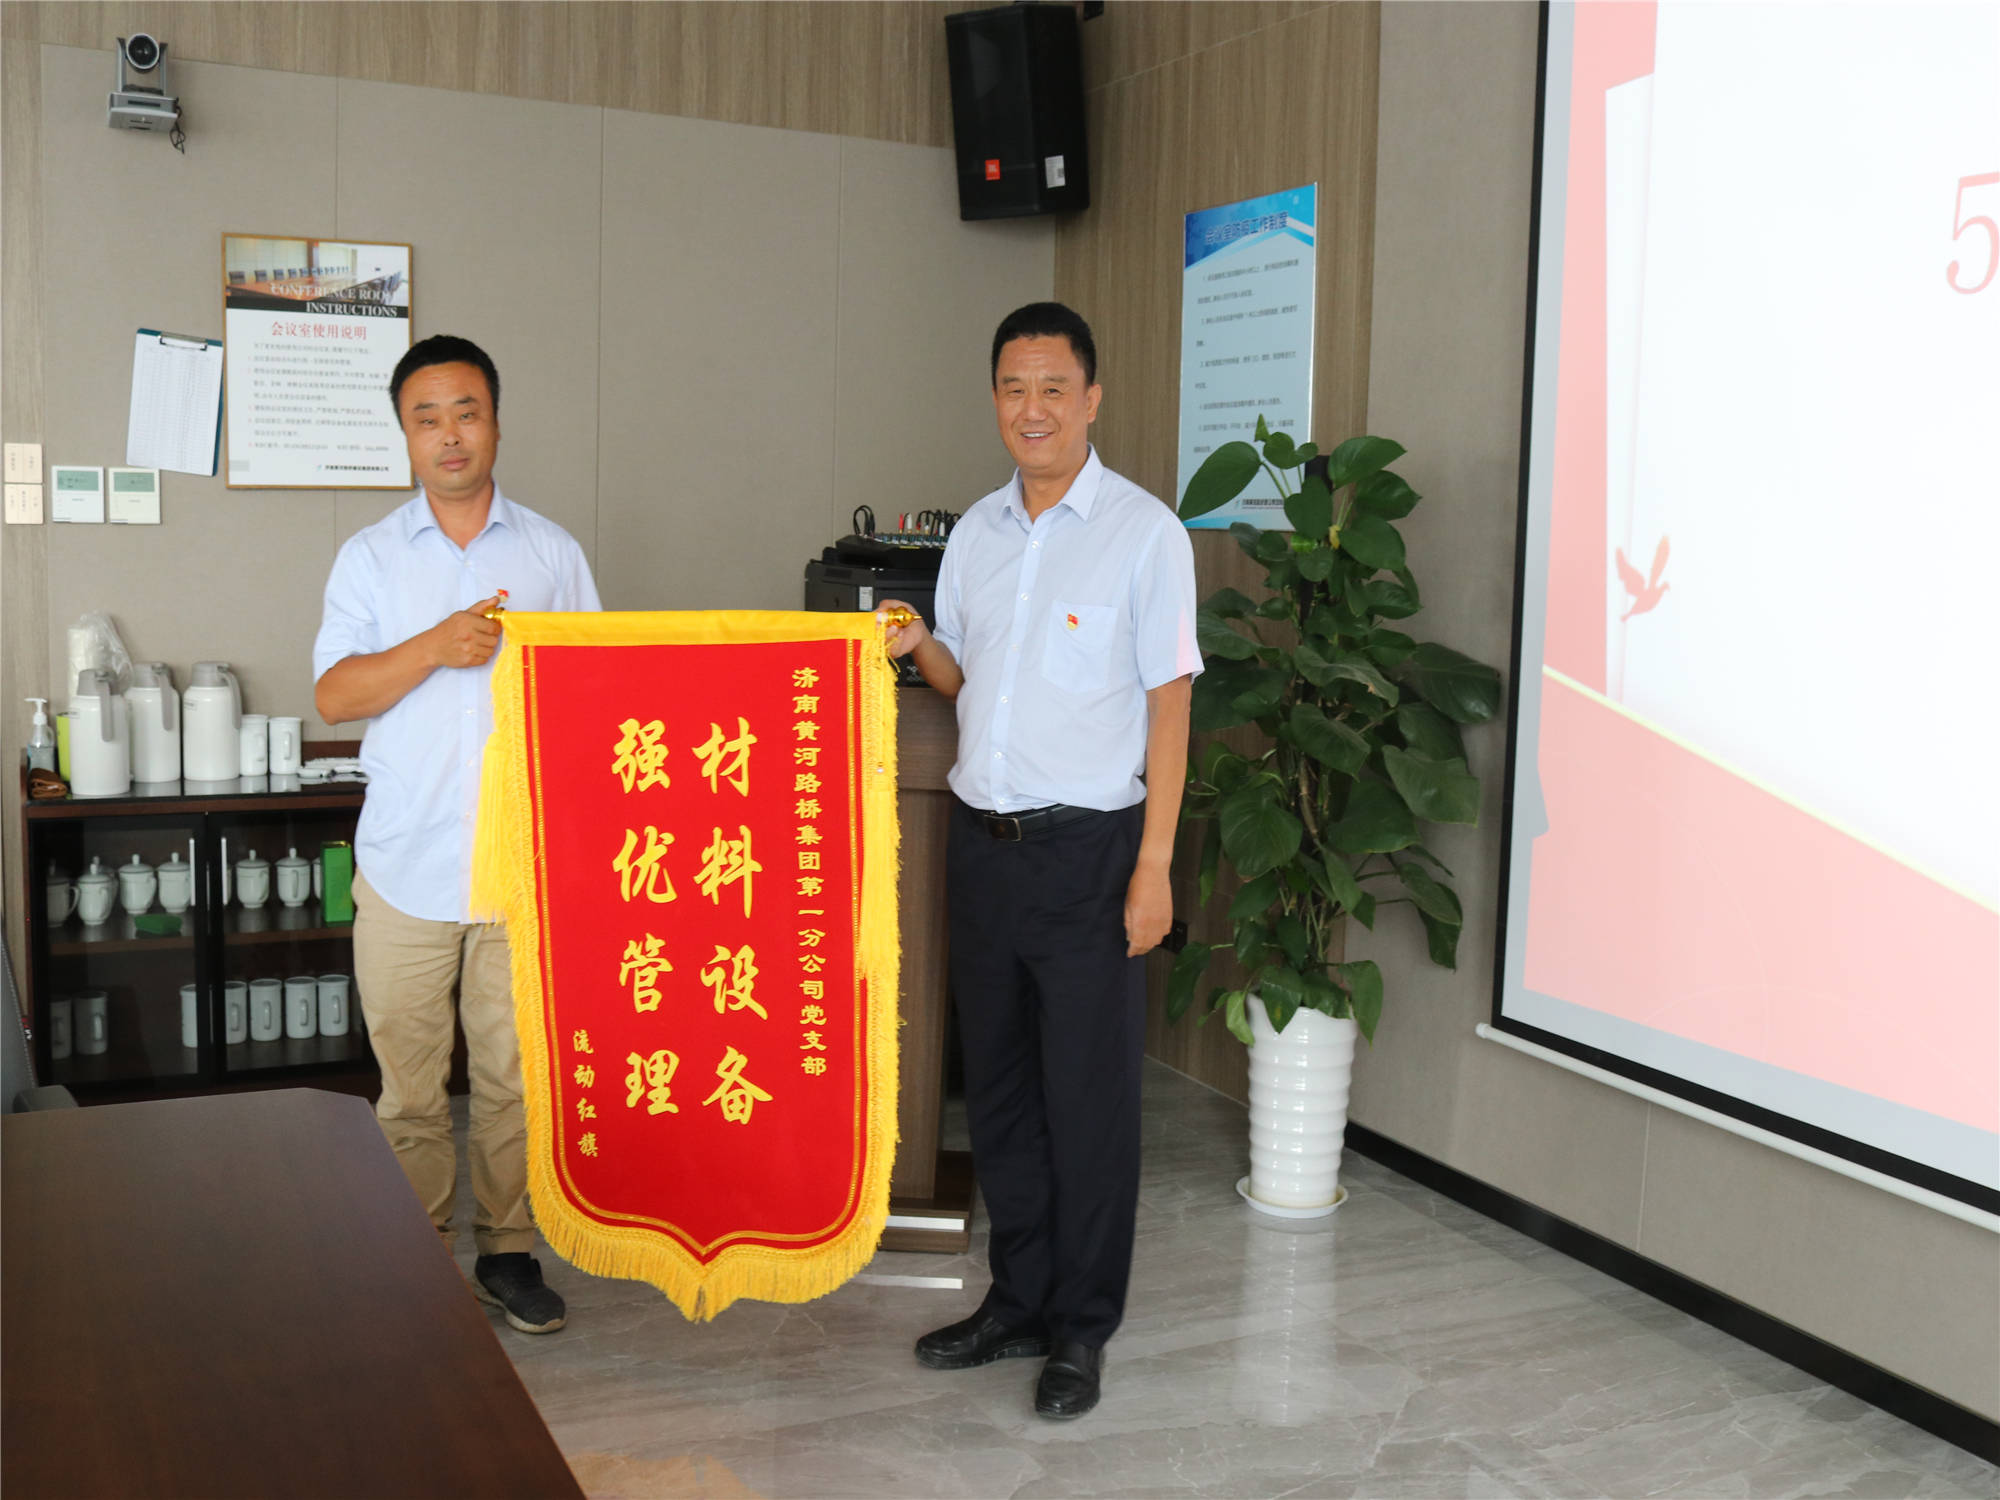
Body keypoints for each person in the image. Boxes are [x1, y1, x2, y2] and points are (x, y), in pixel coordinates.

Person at [884, 302, 1199, 1418]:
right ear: (994, 399)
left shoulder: (1144, 533)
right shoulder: (975, 534)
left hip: (1089, 857)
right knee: (1002, 1094)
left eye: (1053, 388)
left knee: (1088, 1103)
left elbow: (1170, 705)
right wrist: (920, 645)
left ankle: (1080, 1327)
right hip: (985, 851)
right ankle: (1015, 1300)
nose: (1033, 409)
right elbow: (971, 684)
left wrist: (1153, 868)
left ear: (1092, 399)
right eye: (1014, 388)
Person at [313, 334, 601, 1334]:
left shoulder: (552, 553)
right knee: (409, 1093)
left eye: (465, 412)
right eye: (426, 417)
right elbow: (336, 693)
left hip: (520, 867)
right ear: (404, 435)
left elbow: (595, 699)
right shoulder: (370, 557)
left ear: (496, 424)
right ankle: (419, 1254)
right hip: (406, 865)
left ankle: (508, 1253)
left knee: (515, 1083)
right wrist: (435, 646)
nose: (448, 434)